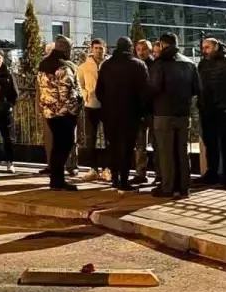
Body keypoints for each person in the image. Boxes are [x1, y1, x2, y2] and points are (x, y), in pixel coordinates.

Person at [149, 33, 200, 199]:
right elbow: (196, 89)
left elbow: (154, 88)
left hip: (163, 113)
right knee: (182, 151)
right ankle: (184, 187)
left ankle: (168, 187)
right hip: (183, 113)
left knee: (166, 152)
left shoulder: (160, 63)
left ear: (162, 45)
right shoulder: (189, 63)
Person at [95, 37, 150, 191]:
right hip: (131, 114)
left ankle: (114, 177)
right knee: (127, 147)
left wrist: (108, 104)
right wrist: (141, 110)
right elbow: (145, 92)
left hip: (110, 114)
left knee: (113, 145)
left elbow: (99, 91)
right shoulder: (138, 65)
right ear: (130, 47)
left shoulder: (106, 65)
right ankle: (124, 180)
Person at [37, 35, 84, 192]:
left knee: (57, 145)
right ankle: (58, 180)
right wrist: (76, 106)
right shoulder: (64, 67)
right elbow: (66, 93)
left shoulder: (43, 65)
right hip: (64, 113)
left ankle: (56, 179)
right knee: (65, 144)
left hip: (49, 112)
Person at [198, 37, 226, 187]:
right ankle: (212, 172)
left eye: (207, 47)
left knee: (225, 142)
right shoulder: (203, 63)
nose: (204, 50)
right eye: (203, 47)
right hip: (206, 107)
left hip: (222, 109)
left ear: (215, 47)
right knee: (210, 142)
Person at [77, 38, 106, 180]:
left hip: (107, 105)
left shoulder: (108, 64)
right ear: (92, 49)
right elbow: (80, 84)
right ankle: (93, 168)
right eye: (96, 48)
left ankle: (107, 168)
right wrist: (86, 95)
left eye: (101, 48)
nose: (99, 51)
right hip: (91, 104)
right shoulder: (83, 67)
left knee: (108, 137)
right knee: (91, 137)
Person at [133, 39, 156, 184]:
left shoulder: (155, 65)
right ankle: (140, 173)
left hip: (152, 110)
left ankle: (159, 174)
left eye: (144, 49)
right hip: (140, 110)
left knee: (156, 143)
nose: (141, 52)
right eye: (139, 49)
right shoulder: (135, 66)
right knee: (140, 144)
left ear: (150, 50)